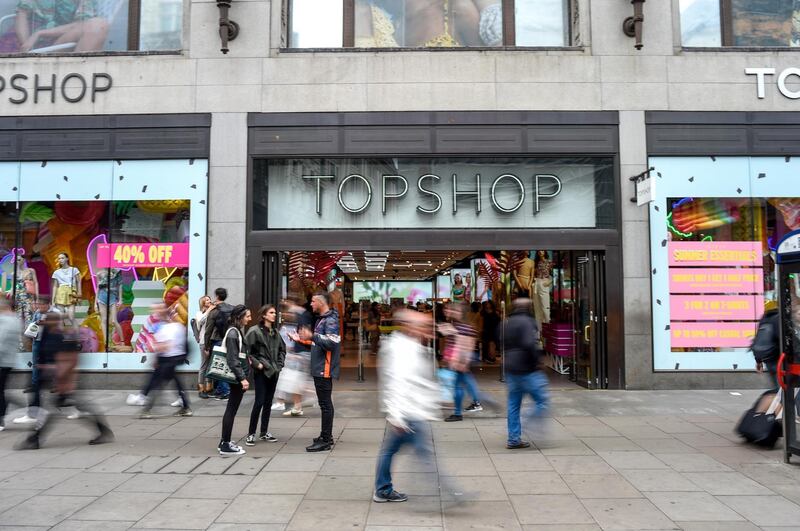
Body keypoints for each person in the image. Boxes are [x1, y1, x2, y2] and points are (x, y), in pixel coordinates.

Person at [15, 309, 114, 450]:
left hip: (63, 380)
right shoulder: (46, 335)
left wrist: (65, 381)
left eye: (51, 321)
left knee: (56, 410)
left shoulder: (63, 338)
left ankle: (35, 439)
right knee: (68, 408)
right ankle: (104, 431)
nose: (49, 323)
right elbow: (41, 355)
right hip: (54, 379)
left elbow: (69, 361)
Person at [373, 309, 440, 503]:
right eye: (423, 326)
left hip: (412, 410)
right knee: (424, 454)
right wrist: (396, 416)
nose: (427, 330)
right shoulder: (399, 349)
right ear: (409, 326)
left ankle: (383, 489)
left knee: (391, 451)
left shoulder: (412, 345)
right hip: (407, 413)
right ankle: (448, 492)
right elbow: (395, 383)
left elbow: (420, 380)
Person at [292, 291, 340, 452]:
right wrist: (302, 339)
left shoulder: (330, 320)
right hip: (320, 367)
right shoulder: (323, 319)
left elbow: (332, 343)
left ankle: (325, 440)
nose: (311, 304)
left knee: (325, 405)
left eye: (313, 301)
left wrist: (311, 336)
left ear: (321, 302)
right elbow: (319, 343)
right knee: (324, 404)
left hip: (323, 369)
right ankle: (326, 436)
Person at [498, 298, 550, 449]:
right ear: (529, 308)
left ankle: (514, 438)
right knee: (542, 401)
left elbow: (500, 338)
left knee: (513, 404)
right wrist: (538, 361)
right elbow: (529, 344)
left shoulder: (506, 322)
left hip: (510, 368)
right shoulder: (528, 322)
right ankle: (527, 422)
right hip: (527, 369)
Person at [140, 303, 192, 419]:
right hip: (175, 359)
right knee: (177, 384)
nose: (155, 314)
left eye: (157, 311)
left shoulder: (165, 329)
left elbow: (165, 346)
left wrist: (154, 349)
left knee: (157, 384)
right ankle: (186, 408)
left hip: (167, 360)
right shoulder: (179, 327)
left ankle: (147, 409)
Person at [245, 304, 285, 445]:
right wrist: (258, 364)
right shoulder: (254, 331)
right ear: (264, 315)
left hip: (274, 372)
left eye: (275, 312)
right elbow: (247, 352)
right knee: (259, 402)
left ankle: (263, 432)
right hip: (262, 372)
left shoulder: (275, 332)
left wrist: (279, 365)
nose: (274, 314)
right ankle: (251, 434)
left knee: (268, 402)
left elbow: (282, 349)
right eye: (271, 312)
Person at [15, 0, 110, 53]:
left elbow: (82, 24)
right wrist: (26, 45)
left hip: (61, 42)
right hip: (31, 45)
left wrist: (39, 33)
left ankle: (76, 79)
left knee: (98, 25)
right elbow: (22, 13)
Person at [441, 302, 483, 421]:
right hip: (458, 359)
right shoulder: (456, 325)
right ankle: (480, 401)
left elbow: (466, 345)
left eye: (455, 311)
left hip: (460, 359)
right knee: (466, 383)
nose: (451, 312)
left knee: (458, 386)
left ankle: (459, 412)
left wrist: (460, 361)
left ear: (462, 313)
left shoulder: (463, 327)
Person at [218, 304, 251, 456]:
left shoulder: (235, 331)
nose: (249, 319)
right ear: (239, 317)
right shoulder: (233, 333)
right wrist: (242, 378)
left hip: (236, 376)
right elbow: (232, 360)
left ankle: (224, 441)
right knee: (231, 410)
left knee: (231, 409)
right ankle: (225, 444)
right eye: (247, 316)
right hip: (236, 377)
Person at [274, 297, 314, 416]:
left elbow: (305, 334)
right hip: (299, 352)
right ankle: (298, 405)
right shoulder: (301, 315)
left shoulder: (301, 315)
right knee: (296, 380)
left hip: (301, 353)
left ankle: (298, 403)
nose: (286, 313)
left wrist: (296, 350)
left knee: (295, 380)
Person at [204, 287, 233, 400]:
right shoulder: (231, 308)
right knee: (227, 363)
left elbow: (208, 330)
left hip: (218, 340)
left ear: (216, 296)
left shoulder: (214, 310)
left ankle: (225, 391)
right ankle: (220, 390)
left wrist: (206, 346)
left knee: (219, 365)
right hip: (230, 339)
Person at [0, 299, 20, 432]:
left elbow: (1, 342)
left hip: (2, 361)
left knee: (0, 391)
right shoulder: (15, 320)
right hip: (8, 361)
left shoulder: (7, 321)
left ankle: (1, 418)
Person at [193, 294, 215, 399]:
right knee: (204, 365)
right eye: (207, 300)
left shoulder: (212, 312)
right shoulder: (199, 313)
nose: (209, 301)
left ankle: (209, 388)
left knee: (211, 365)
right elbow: (201, 321)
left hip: (212, 341)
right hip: (203, 342)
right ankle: (201, 389)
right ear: (202, 303)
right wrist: (209, 310)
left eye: (210, 299)